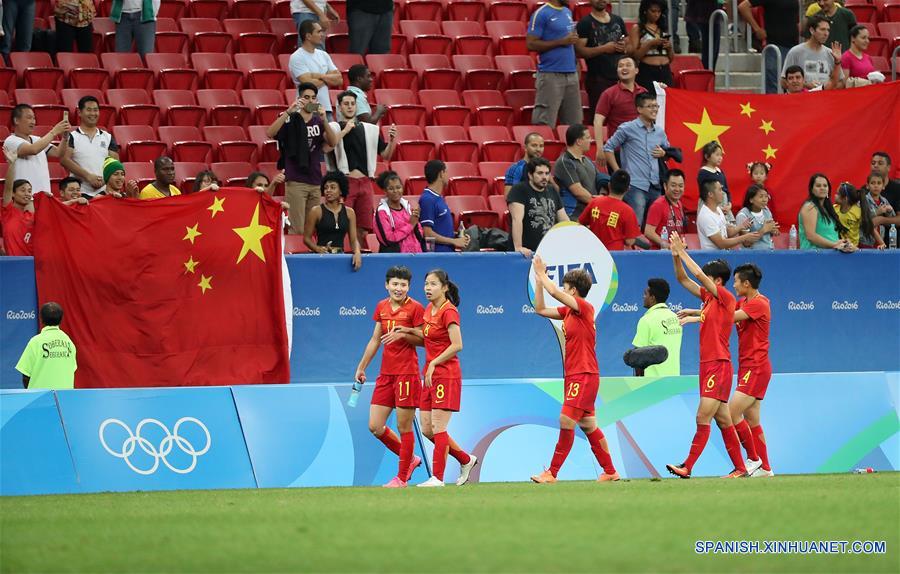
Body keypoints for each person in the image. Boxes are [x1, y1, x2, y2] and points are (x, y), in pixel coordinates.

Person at [530, 255, 620, 483]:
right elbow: (540, 309)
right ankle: (610, 472)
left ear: (572, 290)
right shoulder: (568, 312)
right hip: (575, 375)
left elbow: (555, 294)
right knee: (589, 425)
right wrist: (540, 282)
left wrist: (542, 273)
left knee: (566, 421)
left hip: (584, 374)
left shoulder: (584, 307)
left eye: (565, 287)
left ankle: (552, 473)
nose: (562, 290)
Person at [666, 234, 748, 479]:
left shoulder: (726, 297)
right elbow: (683, 278)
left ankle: (688, 466)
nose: (704, 282)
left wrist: (682, 251)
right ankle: (741, 469)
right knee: (723, 420)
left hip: (718, 364)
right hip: (707, 365)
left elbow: (698, 277)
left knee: (703, 416)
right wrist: (675, 257)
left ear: (718, 281)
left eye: (709, 278)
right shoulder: (709, 299)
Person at [393, 269, 478, 487]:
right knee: (427, 428)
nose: (428, 289)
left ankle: (437, 478)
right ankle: (466, 460)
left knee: (439, 427)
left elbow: (457, 344)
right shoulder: (429, 309)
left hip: (446, 375)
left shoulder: (449, 311)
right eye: (426, 284)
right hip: (430, 375)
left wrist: (434, 362)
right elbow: (429, 335)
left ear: (445, 287)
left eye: (433, 284)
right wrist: (408, 330)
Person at [354, 266, 426, 488]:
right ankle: (411, 459)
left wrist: (404, 333)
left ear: (408, 287)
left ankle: (402, 478)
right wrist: (362, 366)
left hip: (407, 374)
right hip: (385, 375)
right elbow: (376, 339)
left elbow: (425, 339)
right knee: (375, 426)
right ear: (387, 285)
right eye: (395, 284)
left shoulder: (416, 308)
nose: (399, 288)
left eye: (403, 285)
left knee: (405, 428)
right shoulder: (381, 307)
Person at [266, 83, 341, 234]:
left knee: (311, 229)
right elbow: (270, 132)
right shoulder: (290, 118)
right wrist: (288, 111)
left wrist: (324, 119)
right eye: (306, 97)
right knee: (297, 228)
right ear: (299, 98)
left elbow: (333, 142)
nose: (310, 101)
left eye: (313, 98)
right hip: (295, 180)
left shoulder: (318, 121)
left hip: (315, 179)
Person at [327, 90, 398, 245]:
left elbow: (385, 155)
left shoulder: (370, 129)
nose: (350, 107)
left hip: (366, 182)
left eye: (353, 104)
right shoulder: (334, 127)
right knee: (343, 225)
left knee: (363, 228)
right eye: (346, 104)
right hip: (345, 182)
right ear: (339, 107)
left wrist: (392, 140)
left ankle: (360, 255)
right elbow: (327, 147)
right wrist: (345, 130)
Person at [603, 93, 670, 228]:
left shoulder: (659, 132)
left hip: (655, 185)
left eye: (656, 106)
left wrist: (664, 153)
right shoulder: (627, 128)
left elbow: (668, 153)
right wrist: (618, 172)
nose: (654, 109)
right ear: (639, 109)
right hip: (635, 186)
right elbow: (608, 148)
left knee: (656, 227)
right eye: (650, 106)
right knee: (635, 226)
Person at [527, 0, 582, 127]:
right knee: (544, 122)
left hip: (571, 73)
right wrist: (561, 42)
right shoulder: (541, 14)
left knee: (575, 125)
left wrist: (575, 63)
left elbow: (570, 42)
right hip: (550, 73)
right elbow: (530, 44)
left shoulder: (567, 11)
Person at [60, 96, 120, 199]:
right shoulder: (72, 136)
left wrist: (105, 180)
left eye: (95, 110)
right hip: (80, 193)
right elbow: (64, 160)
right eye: (89, 110)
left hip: (104, 193)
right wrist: (88, 176)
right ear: (79, 112)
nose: (93, 113)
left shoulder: (108, 137)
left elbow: (114, 165)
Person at [4, 105, 71, 196]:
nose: (33, 121)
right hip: (24, 198)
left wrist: (65, 137)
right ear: (16, 120)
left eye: (34, 118)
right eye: (29, 118)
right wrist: (54, 132)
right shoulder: (11, 141)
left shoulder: (37, 139)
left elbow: (58, 153)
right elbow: (33, 150)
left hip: (44, 195)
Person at [508, 157, 569, 256]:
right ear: (530, 175)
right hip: (527, 252)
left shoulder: (552, 190)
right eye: (540, 173)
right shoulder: (519, 190)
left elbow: (564, 219)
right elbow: (517, 220)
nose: (544, 177)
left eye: (547, 173)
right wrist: (518, 247)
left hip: (548, 250)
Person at [576, 0, 628, 114]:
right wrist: (604, 49)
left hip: (620, 78)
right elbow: (579, 52)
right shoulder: (585, 23)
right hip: (598, 80)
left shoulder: (618, 20)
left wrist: (624, 46)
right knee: (600, 117)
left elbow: (628, 43)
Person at [303, 171, 362, 270]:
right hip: (321, 257)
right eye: (326, 188)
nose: (328, 190)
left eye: (333, 187)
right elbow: (306, 239)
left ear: (341, 191)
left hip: (341, 258)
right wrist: (318, 249)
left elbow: (353, 240)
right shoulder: (316, 211)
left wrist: (357, 252)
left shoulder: (350, 212)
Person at [739, 0, 800, 93]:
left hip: (793, 47)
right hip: (775, 47)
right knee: (774, 88)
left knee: (793, 87)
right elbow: (743, 6)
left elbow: (796, 19)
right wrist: (757, 29)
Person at [593, 56, 647, 157]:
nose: (624, 68)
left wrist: (662, 92)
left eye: (628, 65)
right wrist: (600, 148)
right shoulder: (608, 94)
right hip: (619, 151)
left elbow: (652, 118)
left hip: (642, 149)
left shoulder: (644, 92)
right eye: (620, 66)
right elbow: (598, 121)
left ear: (636, 70)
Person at [15, 302, 77, 389]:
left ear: (41, 319)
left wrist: (32, 395)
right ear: (61, 319)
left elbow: (26, 375)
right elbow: (72, 369)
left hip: (40, 398)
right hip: (64, 398)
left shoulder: (35, 342)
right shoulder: (69, 342)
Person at [289, 20, 343, 121]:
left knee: (330, 136)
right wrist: (327, 78)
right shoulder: (296, 57)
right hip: (307, 108)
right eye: (318, 32)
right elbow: (309, 85)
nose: (322, 35)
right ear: (308, 36)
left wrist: (319, 76)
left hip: (325, 108)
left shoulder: (323, 54)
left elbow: (339, 79)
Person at [579, 169, 641, 250]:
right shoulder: (628, 211)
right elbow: (629, 241)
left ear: (609, 185)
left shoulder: (595, 202)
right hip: (615, 256)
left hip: (594, 251)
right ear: (628, 189)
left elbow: (579, 223)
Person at [632, 278, 682, 377]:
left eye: (645, 294)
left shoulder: (646, 320)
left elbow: (638, 358)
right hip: (675, 380)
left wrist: (638, 384)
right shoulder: (676, 318)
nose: (643, 297)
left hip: (652, 382)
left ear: (652, 298)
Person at [419, 160, 470, 253]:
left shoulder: (438, 197)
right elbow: (427, 234)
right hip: (438, 256)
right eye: (446, 172)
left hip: (446, 253)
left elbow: (439, 229)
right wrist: (453, 241)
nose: (448, 175)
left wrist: (457, 236)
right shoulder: (428, 199)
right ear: (441, 174)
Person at [781, 16, 844, 90]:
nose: (826, 33)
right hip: (803, 98)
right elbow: (783, 81)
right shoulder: (795, 52)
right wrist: (806, 86)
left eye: (828, 30)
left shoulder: (831, 53)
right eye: (822, 29)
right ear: (812, 30)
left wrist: (826, 89)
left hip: (825, 98)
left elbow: (841, 82)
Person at [799, 173, 854, 251]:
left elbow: (829, 236)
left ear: (828, 189)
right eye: (818, 186)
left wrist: (843, 243)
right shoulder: (810, 207)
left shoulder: (828, 209)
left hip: (829, 256)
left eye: (825, 186)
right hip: (813, 257)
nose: (822, 188)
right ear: (811, 189)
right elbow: (811, 236)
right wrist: (835, 245)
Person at [628, 0, 673, 96]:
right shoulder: (638, 28)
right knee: (648, 102)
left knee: (667, 101)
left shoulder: (663, 28)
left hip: (665, 70)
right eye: (653, 11)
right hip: (647, 71)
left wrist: (669, 48)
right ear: (645, 11)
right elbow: (635, 55)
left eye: (659, 12)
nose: (656, 14)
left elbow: (671, 59)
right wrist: (649, 44)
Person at [697, 180, 758, 250]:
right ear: (710, 194)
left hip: (723, 256)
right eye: (720, 190)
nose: (723, 193)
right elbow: (721, 243)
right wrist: (744, 237)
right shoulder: (706, 216)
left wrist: (741, 226)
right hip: (713, 259)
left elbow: (726, 233)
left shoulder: (718, 209)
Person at [374, 170, 424, 253]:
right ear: (385, 191)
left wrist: (416, 223)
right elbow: (389, 239)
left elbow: (419, 234)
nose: (395, 191)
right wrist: (410, 225)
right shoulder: (382, 212)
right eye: (391, 188)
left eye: (398, 187)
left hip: (416, 255)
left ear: (402, 188)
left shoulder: (407, 207)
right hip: (396, 259)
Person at [554, 124, 598, 219]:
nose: (591, 140)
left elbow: (599, 180)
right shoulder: (565, 162)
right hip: (574, 215)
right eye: (588, 138)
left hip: (592, 211)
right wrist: (600, 203)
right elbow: (578, 192)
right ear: (578, 141)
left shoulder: (587, 160)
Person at [1, 148, 35, 256]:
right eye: (23, 190)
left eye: (29, 191)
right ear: (13, 194)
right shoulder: (8, 212)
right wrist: (12, 164)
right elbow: (8, 188)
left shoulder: (33, 216)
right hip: (13, 264)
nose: (27, 194)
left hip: (32, 263)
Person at [644, 168, 686, 249]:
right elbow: (648, 232)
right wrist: (667, 245)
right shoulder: (658, 205)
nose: (677, 189)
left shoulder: (679, 204)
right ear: (665, 186)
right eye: (673, 185)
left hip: (674, 252)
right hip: (660, 255)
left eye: (680, 186)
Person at [697, 141, 735, 225]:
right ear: (707, 156)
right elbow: (703, 194)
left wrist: (729, 204)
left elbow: (726, 190)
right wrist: (716, 208)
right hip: (711, 205)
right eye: (717, 155)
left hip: (724, 205)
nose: (720, 157)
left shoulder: (720, 171)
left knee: (729, 228)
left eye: (721, 155)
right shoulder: (703, 172)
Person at [834, 181, 879, 248]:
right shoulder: (834, 208)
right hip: (838, 246)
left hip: (854, 248)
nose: (835, 195)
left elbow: (870, 228)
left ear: (845, 199)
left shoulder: (857, 212)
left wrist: (881, 243)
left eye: (837, 194)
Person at [735, 184, 779, 250]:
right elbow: (746, 243)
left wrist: (774, 231)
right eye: (761, 197)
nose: (765, 200)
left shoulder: (766, 210)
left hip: (769, 251)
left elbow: (770, 231)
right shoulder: (743, 215)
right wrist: (763, 230)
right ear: (751, 200)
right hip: (751, 256)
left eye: (766, 196)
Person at [860, 171, 894, 249]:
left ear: (883, 186)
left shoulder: (884, 201)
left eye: (879, 183)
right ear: (867, 186)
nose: (876, 186)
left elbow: (892, 220)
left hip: (880, 241)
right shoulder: (863, 200)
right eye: (873, 183)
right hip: (865, 242)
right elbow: (861, 220)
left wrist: (889, 211)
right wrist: (876, 212)